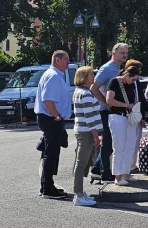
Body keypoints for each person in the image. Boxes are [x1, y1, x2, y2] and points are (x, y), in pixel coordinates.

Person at [34, 50, 72, 199]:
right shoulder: (54, 76)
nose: (68, 62)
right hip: (51, 119)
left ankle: (48, 185)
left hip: (50, 118)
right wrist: (56, 115)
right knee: (51, 154)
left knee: (51, 152)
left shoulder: (54, 75)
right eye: (66, 60)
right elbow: (48, 100)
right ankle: (47, 188)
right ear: (57, 60)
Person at [89, 43, 129, 182]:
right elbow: (94, 88)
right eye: (122, 53)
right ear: (114, 53)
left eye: (126, 53)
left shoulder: (120, 68)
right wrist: (105, 102)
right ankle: (104, 172)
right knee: (108, 141)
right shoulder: (106, 69)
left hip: (116, 110)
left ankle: (96, 169)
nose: (124, 55)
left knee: (112, 140)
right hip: (106, 110)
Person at [105, 63, 145, 185]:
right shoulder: (115, 82)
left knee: (130, 146)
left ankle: (126, 173)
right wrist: (126, 105)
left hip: (130, 117)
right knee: (119, 147)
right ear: (127, 74)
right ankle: (118, 176)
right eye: (133, 79)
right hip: (117, 116)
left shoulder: (132, 84)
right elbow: (109, 100)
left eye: (136, 80)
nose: (134, 82)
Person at [71, 66, 101, 206]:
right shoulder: (86, 94)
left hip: (81, 130)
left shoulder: (79, 91)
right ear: (84, 77)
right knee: (81, 163)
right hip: (86, 132)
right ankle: (78, 195)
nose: (93, 75)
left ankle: (81, 193)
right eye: (91, 74)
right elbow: (89, 117)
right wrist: (96, 136)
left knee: (81, 163)